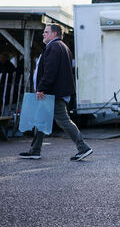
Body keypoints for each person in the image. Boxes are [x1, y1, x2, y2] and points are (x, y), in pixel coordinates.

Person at [19, 24, 92, 161]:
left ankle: (83, 148)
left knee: (63, 120)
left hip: (53, 94)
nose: (43, 34)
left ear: (55, 34)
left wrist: (42, 88)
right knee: (40, 121)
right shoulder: (62, 47)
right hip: (53, 93)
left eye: (46, 32)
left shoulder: (53, 47)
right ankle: (35, 150)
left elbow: (50, 71)